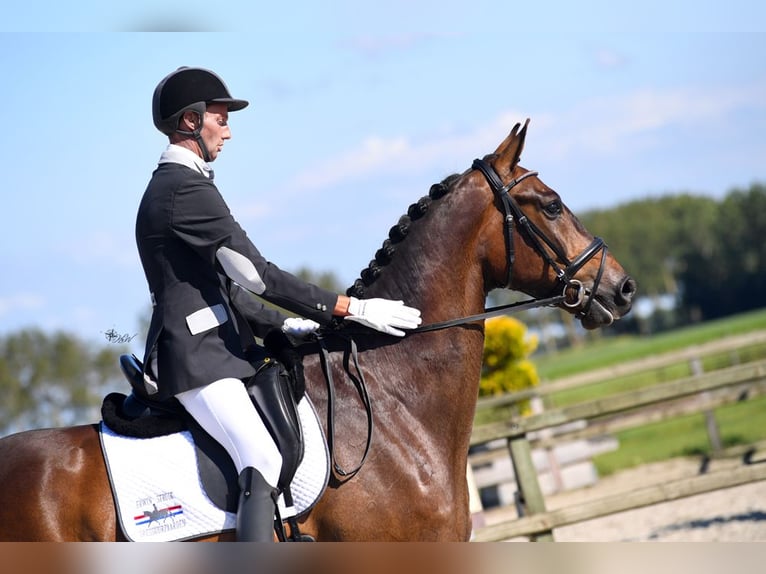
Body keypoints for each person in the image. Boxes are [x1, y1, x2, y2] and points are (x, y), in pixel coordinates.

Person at [136, 66, 422, 541]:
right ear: (190, 121)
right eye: (220, 119)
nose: (228, 130)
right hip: (196, 358)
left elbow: (222, 288)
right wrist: (351, 308)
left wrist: (280, 326)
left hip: (218, 349)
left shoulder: (181, 185)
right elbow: (254, 274)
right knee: (262, 456)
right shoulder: (184, 189)